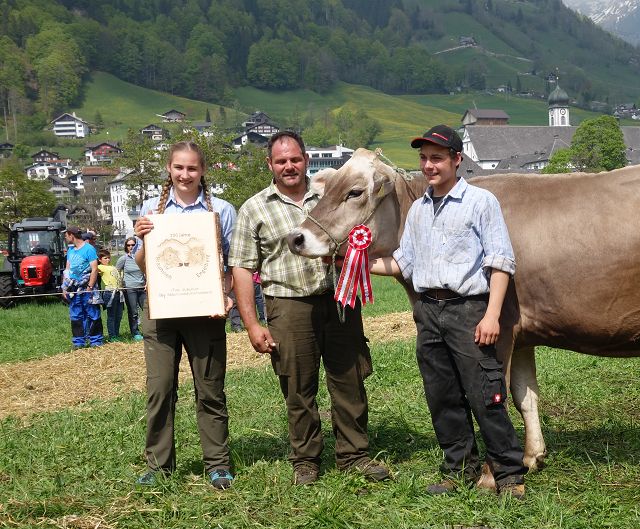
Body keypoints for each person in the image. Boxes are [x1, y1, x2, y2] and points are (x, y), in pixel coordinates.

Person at [370, 125, 527, 498]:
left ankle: (508, 475)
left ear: (457, 160)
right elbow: (402, 263)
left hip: (468, 309)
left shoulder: (480, 202)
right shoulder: (420, 211)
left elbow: (500, 261)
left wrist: (491, 315)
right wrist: (355, 262)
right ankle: (459, 468)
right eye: (424, 158)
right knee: (442, 394)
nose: (429, 166)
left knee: (484, 392)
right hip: (428, 310)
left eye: (437, 158)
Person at [229, 130, 390, 487]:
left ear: (306, 160)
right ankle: (306, 460)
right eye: (281, 160)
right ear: (270, 164)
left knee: (349, 379)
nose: (289, 166)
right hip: (288, 305)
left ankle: (354, 454)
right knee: (298, 386)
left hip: (339, 298)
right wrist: (252, 324)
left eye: (295, 159)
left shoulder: (329, 194)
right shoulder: (255, 207)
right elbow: (241, 267)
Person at [133, 140, 236, 490]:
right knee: (160, 389)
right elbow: (141, 264)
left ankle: (218, 463)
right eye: (179, 167)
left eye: (192, 168)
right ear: (169, 168)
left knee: (209, 388)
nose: (185, 174)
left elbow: (231, 263)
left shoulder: (221, 210)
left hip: (204, 311)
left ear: (203, 171)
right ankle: (159, 464)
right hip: (161, 310)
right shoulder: (151, 209)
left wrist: (226, 294)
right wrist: (143, 240)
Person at [61, 225, 104, 348]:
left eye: (66, 234)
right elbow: (67, 270)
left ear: (71, 235)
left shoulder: (89, 249)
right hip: (73, 288)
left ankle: (95, 341)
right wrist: (64, 287)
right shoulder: (70, 250)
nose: (65, 237)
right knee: (76, 314)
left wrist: (90, 287)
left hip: (86, 287)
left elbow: (94, 269)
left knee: (92, 313)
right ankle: (79, 342)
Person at [116, 237, 146, 341]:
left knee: (147, 310)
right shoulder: (123, 259)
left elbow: (147, 270)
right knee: (133, 312)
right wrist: (120, 284)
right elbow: (116, 271)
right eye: (128, 245)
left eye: (133, 245)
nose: (131, 247)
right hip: (129, 288)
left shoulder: (142, 257)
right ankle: (135, 332)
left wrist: (147, 282)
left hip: (142, 287)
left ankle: (148, 331)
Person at [97, 248, 124, 341]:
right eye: (105, 258)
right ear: (100, 259)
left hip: (119, 293)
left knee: (119, 315)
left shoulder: (113, 267)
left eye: (108, 258)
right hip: (109, 293)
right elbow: (92, 270)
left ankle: (116, 333)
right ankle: (112, 335)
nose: (108, 260)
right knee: (111, 315)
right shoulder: (100, 267)